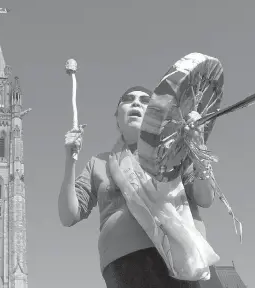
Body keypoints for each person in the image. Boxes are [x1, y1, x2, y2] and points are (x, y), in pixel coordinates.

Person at [58, 86, 215, 288]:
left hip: (179, 262)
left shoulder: (176, 152)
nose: (136, 103)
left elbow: (205, 198)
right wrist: (70, 159)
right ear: (117, 118)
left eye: (144, 101)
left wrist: (198, 147)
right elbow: (68, 215)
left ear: (157, 115)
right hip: (123, 267)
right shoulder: (99, 163)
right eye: (128, 99)